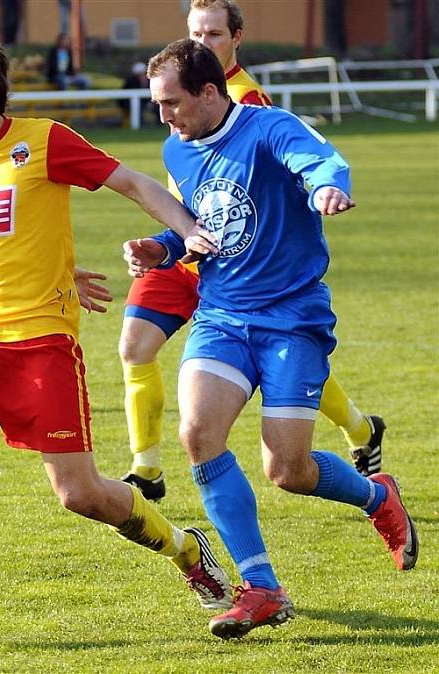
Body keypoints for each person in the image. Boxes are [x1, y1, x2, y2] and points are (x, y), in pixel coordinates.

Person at [0, 24, 233, 613]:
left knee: (80, 494)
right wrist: (57, 267)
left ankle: (186, 551)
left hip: (39, 344)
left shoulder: (44, 142)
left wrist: (188, 231)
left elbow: (133, 183)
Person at [122, 38, 419, 640]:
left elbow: (322, 163)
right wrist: (163, 247)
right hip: (223, 316)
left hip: (291, 318)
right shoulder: (178, 148)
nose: (163, 116)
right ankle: (261, 588)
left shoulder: (270, 128)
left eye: (171, 102)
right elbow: (204, 223)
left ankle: (375, 496)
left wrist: (325, 188)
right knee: (198, 435)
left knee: (287, 469)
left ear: (210, 92)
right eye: (157, 104)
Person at [118, 0, 385, 505]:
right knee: (138, 350)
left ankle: (358, 431)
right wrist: (164, 244)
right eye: (196, 33)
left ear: (234, 40)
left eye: (214, 35)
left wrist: (323, 185)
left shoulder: (251, 108)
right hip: (203, 246)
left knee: (285, 457)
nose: (203, 44)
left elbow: (304, 160)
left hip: (257, 264)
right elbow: (203, 201)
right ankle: (146, 466)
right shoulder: (176, 126)